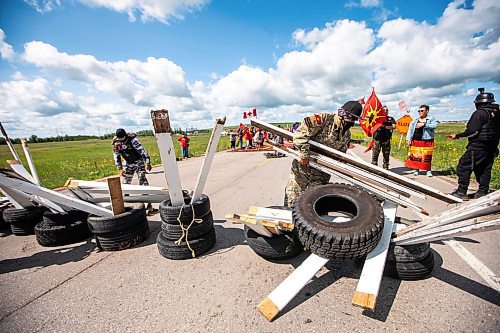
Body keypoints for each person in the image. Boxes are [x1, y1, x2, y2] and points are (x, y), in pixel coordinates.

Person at [284, 100, 362, 207]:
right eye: (351, 119)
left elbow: (340, 155)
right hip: (303, 169)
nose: (352, 123)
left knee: (311, 205)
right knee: (292, 199)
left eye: (355, 120)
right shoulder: (324, 120)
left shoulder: (346, 134)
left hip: (321, 174)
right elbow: (300, 134)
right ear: (343, 114)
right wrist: (304, 154)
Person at [447, 88, 500, 199]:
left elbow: (473, 130)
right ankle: (482, 192)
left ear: (479, 103)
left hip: (477, 147)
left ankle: (461, 192)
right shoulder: (497, 114)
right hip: (491, 147)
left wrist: (457, 136)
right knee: (484, 169)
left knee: (463, 167)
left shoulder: (479, 113)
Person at [405, 105, 438, 177]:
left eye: (422, 111)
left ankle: (428, 171)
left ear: (427, 111)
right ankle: (417, 170)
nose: (420, 112)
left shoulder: (431, 119)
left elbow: (435, 126)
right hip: (416, 140)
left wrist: (424, 124)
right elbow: (410, 130)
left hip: (427, 141)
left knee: (427, 157)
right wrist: (408, 139)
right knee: (416, 156)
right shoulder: (415, 120)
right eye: (419, 111)